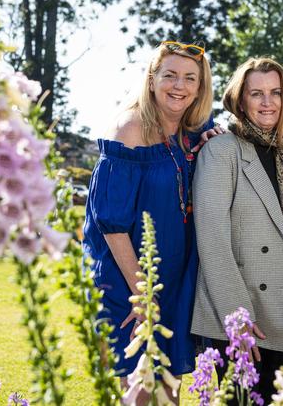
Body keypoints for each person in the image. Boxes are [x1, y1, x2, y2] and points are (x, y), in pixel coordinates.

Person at [82, 41, 220, 403]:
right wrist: (141, 294)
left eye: (191, 78)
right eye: (170, 75)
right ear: (151, 79)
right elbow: (110, 223)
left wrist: (210, 139)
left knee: (170, 391)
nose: (180, 86)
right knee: (140, 390)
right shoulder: (129, 129)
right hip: (128, 282)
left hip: (175, 282)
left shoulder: (191, 131)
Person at [191, 57, 283, 404]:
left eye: (275, 93)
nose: (267, 103)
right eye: (257, 94)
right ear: (240, 100)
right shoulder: (221, 151)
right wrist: (239, 318)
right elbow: (213, 242)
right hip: (241, 319)